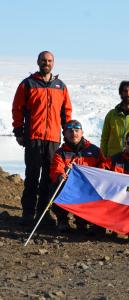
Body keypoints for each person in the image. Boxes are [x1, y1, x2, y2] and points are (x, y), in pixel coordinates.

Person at [12, 51, 72, 226]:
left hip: (53, 139)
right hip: (33, 137)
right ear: (38, 62)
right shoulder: (28, 84)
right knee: (32, 176)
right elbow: (18, 109)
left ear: (53, 63)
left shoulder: (60, 86)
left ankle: (44, 213)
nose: (47, 63)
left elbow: (66, 112)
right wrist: (18, 131)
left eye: (50, 61)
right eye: (44, 60)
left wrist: (67, 133)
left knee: (49, 177)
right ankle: (28, 213)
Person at [50, 120, 106, 234]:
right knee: (56, 185)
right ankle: (62, 220)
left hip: (88, 189)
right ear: (64, 134)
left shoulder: (94, 151)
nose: (73, 133)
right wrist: (61, 174)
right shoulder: (61, 153)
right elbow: (56, 169)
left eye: (76, 130)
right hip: (70, 189)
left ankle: (84, 220)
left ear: (82, 132)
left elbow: (103, 167)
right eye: (70, 131)